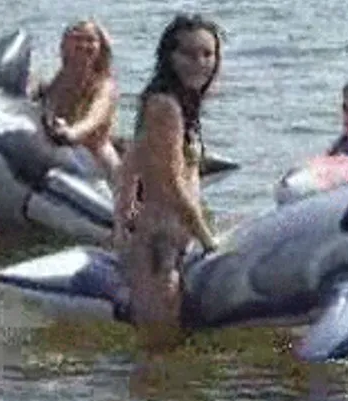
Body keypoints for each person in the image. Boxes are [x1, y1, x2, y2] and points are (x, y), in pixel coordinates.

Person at [112, 13, 223, 351]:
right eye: (189, 54)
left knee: (169, 348)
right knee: (159, 345)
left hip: (166, 234)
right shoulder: (166, 106)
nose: (200, 63)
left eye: (208, 54)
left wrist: (122, 218)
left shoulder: (170, 101)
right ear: (169, 56)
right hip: (161, 246)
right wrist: (209, 242)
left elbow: (131, 161)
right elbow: (174, 184)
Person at [30, 20, 122, 187]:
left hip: (96, 163)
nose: (83, 44)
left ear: (101, 47)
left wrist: (73, 133)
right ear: (64, 45)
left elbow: (94, 117)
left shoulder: (104, 85)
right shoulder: (52, 81)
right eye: (77, 38)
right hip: (58, 156)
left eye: (91, 40)